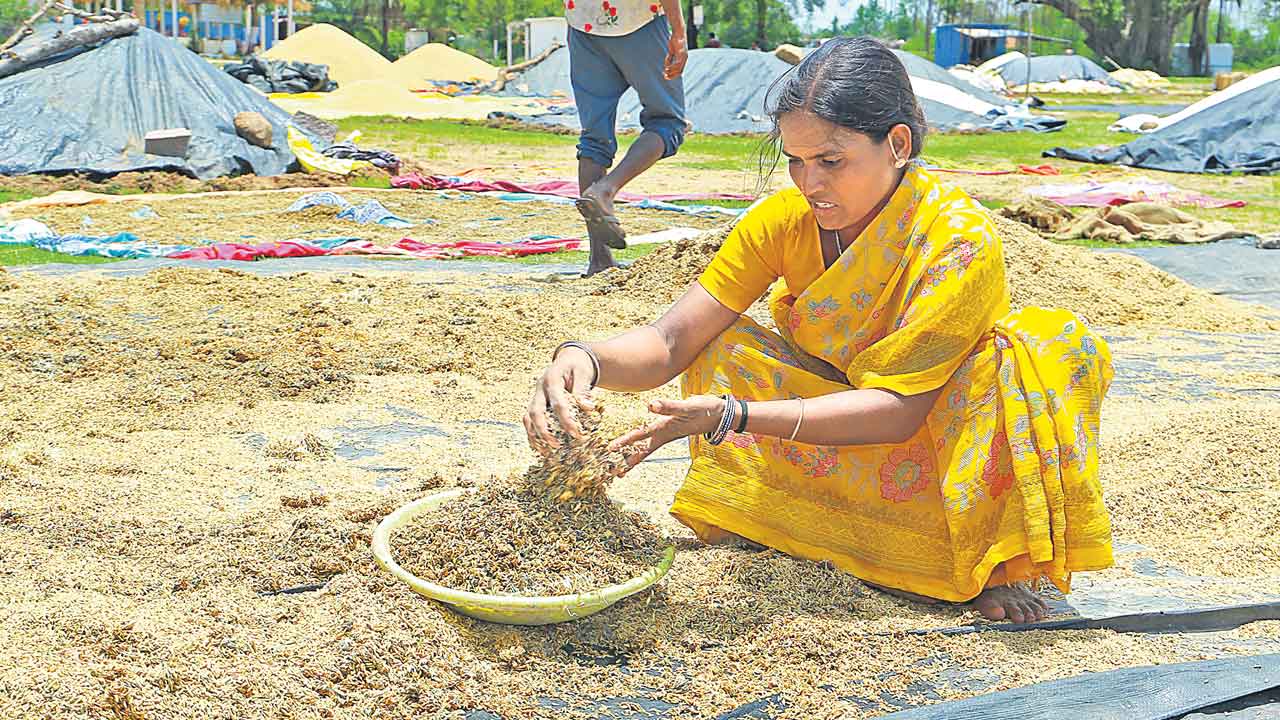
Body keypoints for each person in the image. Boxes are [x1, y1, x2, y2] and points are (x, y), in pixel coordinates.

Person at [524, 37, 1115, 623]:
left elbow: (900, 407)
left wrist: (735, 417)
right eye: (796, 161)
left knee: (1036, 354)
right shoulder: (785, 222)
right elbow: (674, 340)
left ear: (898, 145)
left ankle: (977, 561)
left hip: (932, 431)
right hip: (833, 409)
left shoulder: (957, 241)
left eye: (831, 161)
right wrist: (583, 360)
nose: (810, 183)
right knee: (722, 344)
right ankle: (785, 522)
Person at [565, 0, 689, 276]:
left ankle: (599, 259)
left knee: (594, 139)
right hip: (638, 21)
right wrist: (679, 32)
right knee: (668, 122)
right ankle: (605, 189)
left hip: (584, 24)